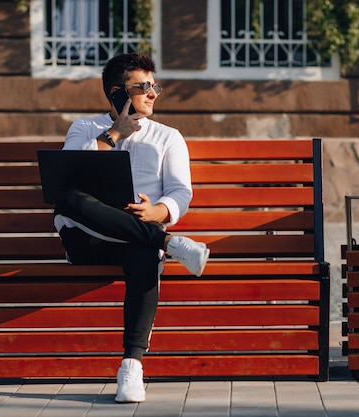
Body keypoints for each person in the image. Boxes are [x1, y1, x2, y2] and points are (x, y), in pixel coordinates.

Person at [53, 53, 210, 403]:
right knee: (68, 197)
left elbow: (181, 191)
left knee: (142, 253)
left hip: (137, 239)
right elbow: (68, 176)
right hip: (86, 238)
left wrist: (160, 210)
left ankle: (131, 368)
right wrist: (112, 135)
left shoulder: (168, 137)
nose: (153, 93)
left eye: (155, 87)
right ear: (117, 93)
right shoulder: (85, 128)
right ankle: (170, 243)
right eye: (143, 87)